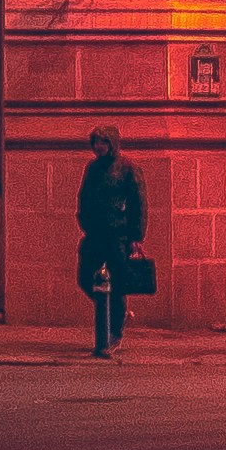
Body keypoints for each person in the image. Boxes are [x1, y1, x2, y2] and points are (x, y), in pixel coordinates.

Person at [76, 124, 146, 357]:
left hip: (118, 233)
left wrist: (136, 236)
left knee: (116, 283)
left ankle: (114, 330)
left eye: (104, 142)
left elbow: (138, 204)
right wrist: (83, 219)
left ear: (112, 143)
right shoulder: (92, 168)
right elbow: (84, 195)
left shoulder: (127, 168)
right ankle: (113, 312)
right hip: (95, 232)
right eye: (96, 141)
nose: (99, 146)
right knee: (86, 276)